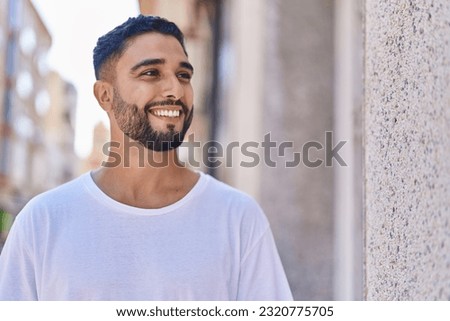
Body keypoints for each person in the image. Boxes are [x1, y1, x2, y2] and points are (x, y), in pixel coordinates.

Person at [0, 15, 292, 300]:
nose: (175, 90)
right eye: (151, 73)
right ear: (105, 96)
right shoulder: (43, 221)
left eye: (184, 75)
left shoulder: (238, 218)